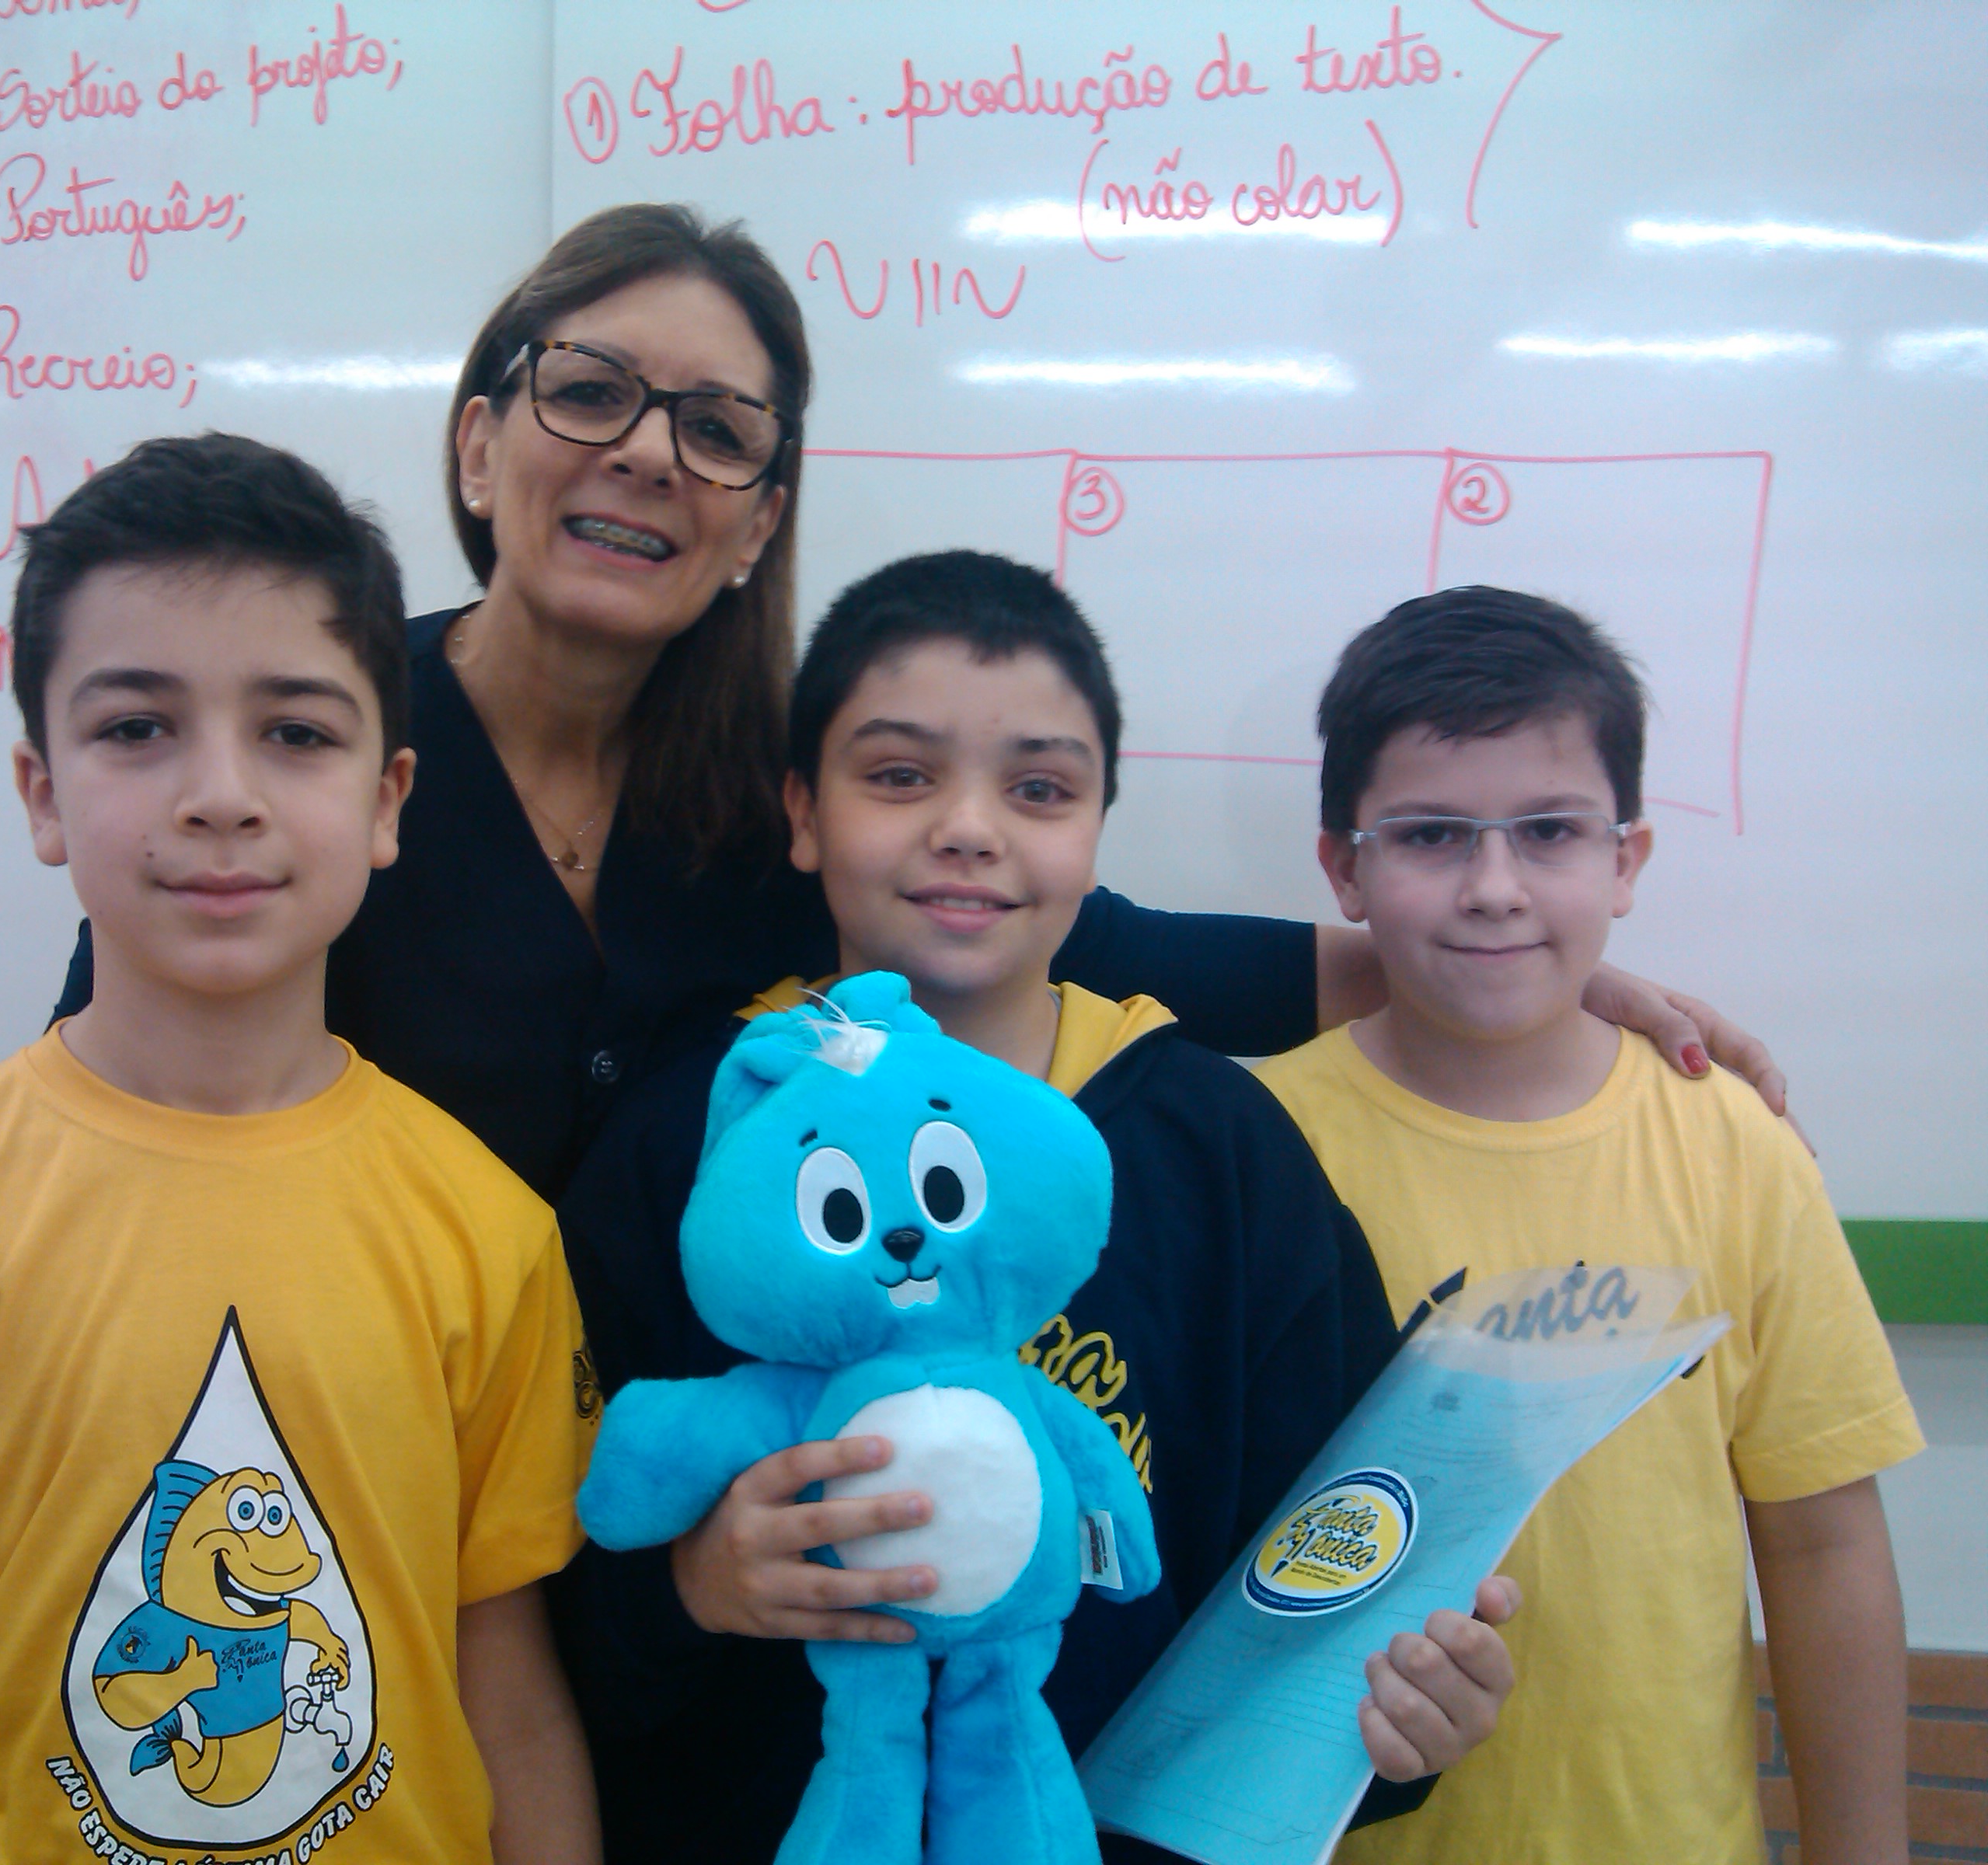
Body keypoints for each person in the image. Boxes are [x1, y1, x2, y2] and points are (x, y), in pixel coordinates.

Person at [0, 203, 1784, 1411]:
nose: (647, 455)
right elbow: (101, 1077)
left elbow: (1111, 942)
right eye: (590, 392)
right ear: (481, 441)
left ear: (764, 514)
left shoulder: (784, 796)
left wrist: (1502, 958)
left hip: (701, 1511)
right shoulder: (310, 747)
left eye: (720, 429)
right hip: (358, 1447)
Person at [551, 552, 1520, 1865]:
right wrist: (687, 1586)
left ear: (1098, 825)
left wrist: (1403, 1714)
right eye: (900, 776)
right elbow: (548, 1594)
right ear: (803, 813)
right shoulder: (691, 1143)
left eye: (1040, 789)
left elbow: (1327, 1572)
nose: (970, 827)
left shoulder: (1218, 1146)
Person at [0, 436, 598, 1865]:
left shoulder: (492, 1229)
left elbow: (506, 1700)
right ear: (42, 793)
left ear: (387, 800)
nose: (221, 794)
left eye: (297, 733)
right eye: (139, 727)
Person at [1252, 587, 1921, 1865]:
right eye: (1432, 836)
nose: (1495, 889)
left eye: (1550, 831)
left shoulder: (1731, 1146)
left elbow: (1824, 1540)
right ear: (1344, 868)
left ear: (1626, 859)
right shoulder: (1249, 1150)